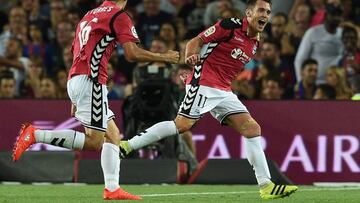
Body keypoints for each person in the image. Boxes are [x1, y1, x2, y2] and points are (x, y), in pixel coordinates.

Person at [119, 0, 298, 200]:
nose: (265, 15)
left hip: (223, 90)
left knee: (252, 129)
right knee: (182, 125)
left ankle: (266, 185)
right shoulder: (229, 25)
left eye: (268, 12)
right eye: (261, 10)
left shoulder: (255, 42)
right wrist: (191, 57)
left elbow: (227, 66)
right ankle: (128, 145)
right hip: (203, 82)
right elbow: (195, 41)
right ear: (249, 13)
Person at [12, 0, 179, 201]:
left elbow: (77, 51)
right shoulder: (118, 15)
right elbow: (131, 53)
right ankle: (35, 135)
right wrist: (165, 57)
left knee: (113, 135)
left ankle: (112, 189)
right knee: (94, 141)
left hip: (77, 78)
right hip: (91, 82)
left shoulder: (89, 15)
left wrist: (75, 93)